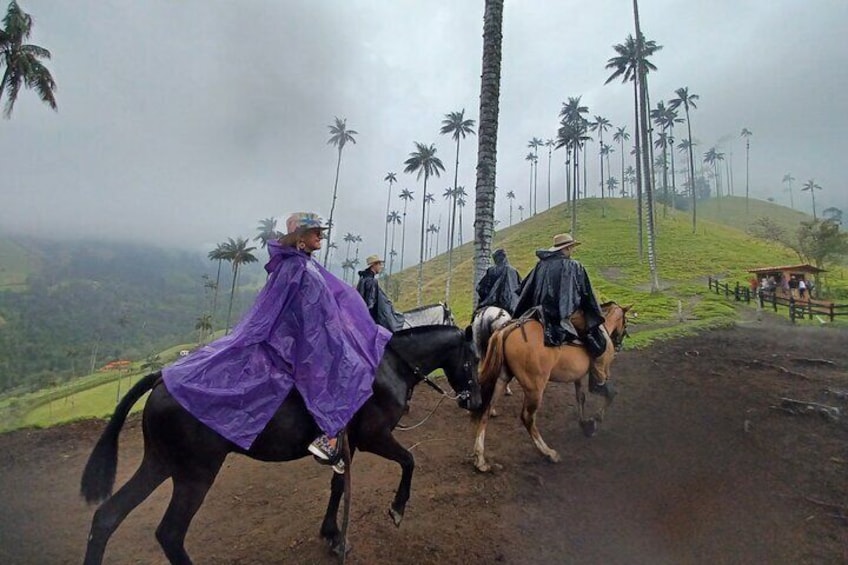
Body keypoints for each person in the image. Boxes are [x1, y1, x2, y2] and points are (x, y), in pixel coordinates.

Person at [163, 212, 390, 474]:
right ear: (300, 239)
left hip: (307, 338)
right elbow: (303, 314)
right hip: (298, 342)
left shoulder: (300, 265)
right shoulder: (296, 268)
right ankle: (329, 437)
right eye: (315, 231)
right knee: (345, 372)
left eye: (320, 231)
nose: (321, 235)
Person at [514, 233, 605, 353]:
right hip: (567, 313)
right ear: (567, 248)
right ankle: (594, 363)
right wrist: (593, 311)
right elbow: (586, 293)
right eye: (571, 248)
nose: (572, 251)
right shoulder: (574, 266)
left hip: (540, 312)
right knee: (592, 330)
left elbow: (526, 288)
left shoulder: (540, 265)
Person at [356, 254, 405, 332]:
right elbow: (370, 303)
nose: (381, 266)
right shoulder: (371, 281)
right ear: (373, 265)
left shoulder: (363, 278)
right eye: (379, 264)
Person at [476, 248, 522, 315]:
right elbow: (520, 288)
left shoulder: (491, 270)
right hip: (512, 306)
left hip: (491, 303)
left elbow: (481, 288)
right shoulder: (513, 271)